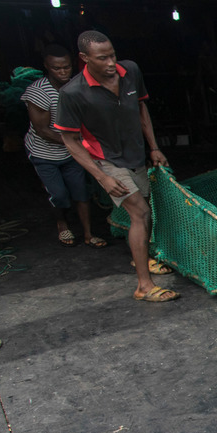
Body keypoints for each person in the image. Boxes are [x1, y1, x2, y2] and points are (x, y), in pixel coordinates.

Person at [54, 30, 176, 303]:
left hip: (135, 155)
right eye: (102, 58)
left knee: (146, 210)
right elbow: (70, 141)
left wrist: (154, 147)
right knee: (140, 213)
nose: (111, 62)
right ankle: (144, 286)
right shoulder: (72, 93)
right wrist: (101, 177)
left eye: (112, 55)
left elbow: (142, 110)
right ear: (84, 58)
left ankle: (143, 258)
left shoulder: (130, 70)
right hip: (105, 160)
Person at [22, 44, 104, 248]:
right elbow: (42, 130)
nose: (62, 72)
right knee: (59, 194)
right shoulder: (38, 92)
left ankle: (88, 233)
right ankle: (62, 223)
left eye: (66, 67)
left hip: (71, 152)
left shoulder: (77, 87)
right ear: (47, 67)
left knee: (81, 192)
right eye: (57, 68)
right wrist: (77, 143)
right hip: (44, 153)